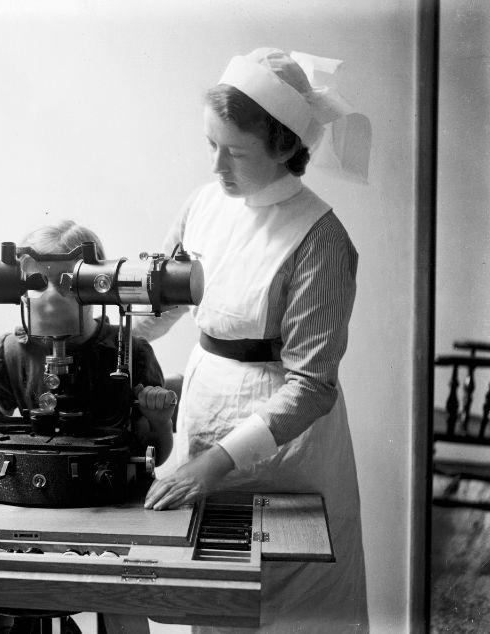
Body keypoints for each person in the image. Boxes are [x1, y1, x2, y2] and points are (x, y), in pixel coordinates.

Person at [134, 48, 369, 632]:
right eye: (210, 145)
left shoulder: (320, 238)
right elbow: (160, 306)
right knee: (214, 601)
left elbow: (313, 385)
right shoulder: (204, 204)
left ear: (286, 147)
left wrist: (216, 463)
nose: (217, 168)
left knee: (288, 606)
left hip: (287, 448)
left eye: (235, 152)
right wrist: (89, 330)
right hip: (204, 417)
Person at [0, 220, 175, 634]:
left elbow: (159, 454)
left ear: (97, 284)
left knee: (121, 600)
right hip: (29, 507)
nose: (50, 296)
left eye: (68, 282)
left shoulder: (129, 352)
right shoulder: (10, 351)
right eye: (35, 282)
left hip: (111, 508)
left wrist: (158, 419)